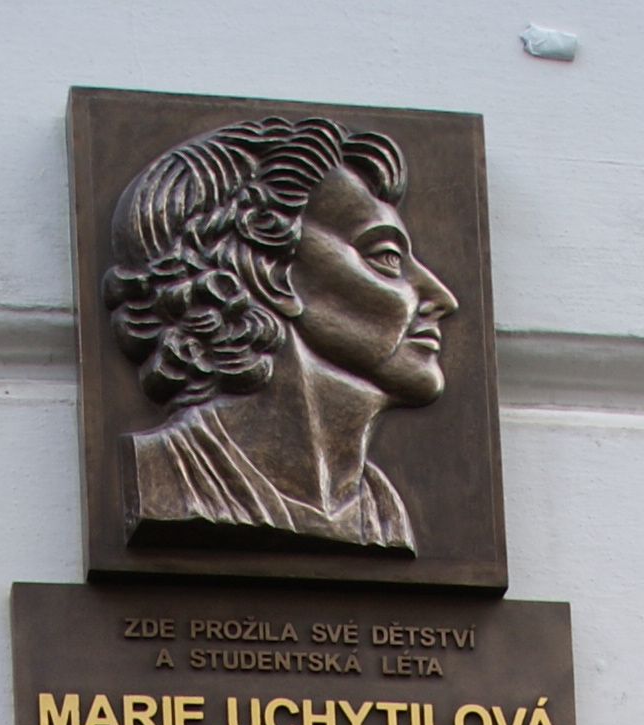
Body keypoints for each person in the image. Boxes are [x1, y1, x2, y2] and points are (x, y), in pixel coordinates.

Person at [104, 114, 456, 553]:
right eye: (385, 257)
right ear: (266, 270)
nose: (443, 298)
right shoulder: (163, 476)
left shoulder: (387, 515)